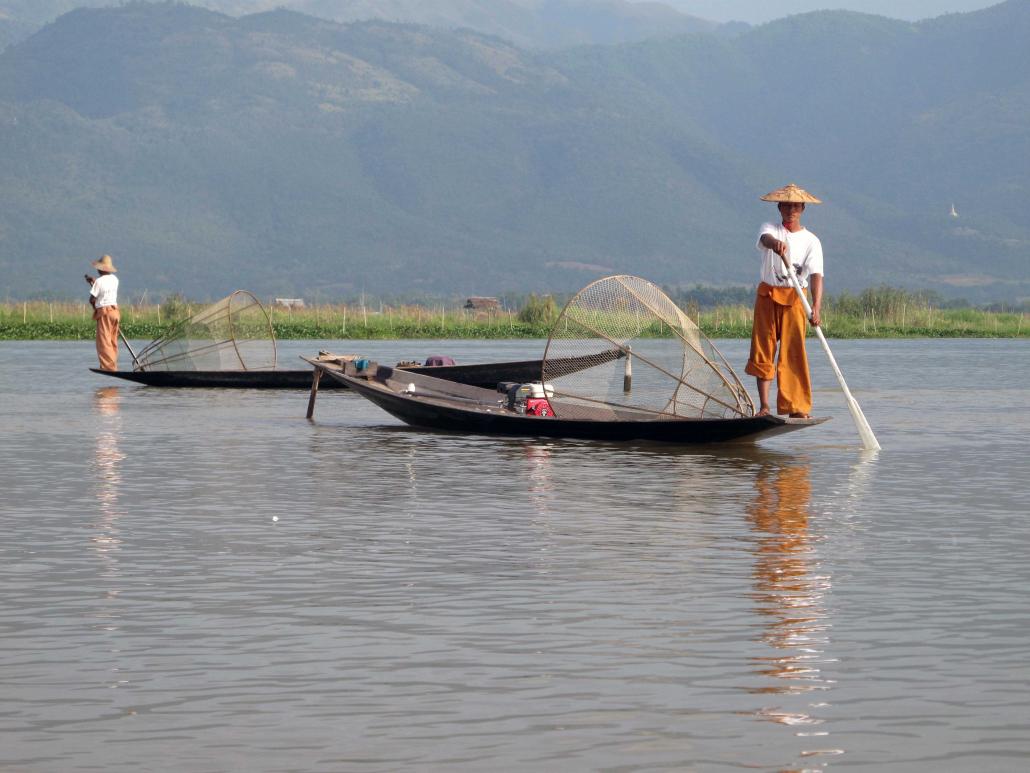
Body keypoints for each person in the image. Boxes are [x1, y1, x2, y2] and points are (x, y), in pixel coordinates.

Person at [745, 183, 824, 418]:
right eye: (787, 206)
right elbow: (765, 239)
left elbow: (817, 276)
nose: (791, 210)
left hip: (796, 298)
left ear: (802, 209)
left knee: (793, 353)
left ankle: (796, 407)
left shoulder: (812, 241)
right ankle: (764, 406)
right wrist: (775, 244)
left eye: (796, 206)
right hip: (768, 295)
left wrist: (816, 308)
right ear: (779, 208)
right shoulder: (771, 228)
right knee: (763, 349)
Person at [85, 254, 120, 371]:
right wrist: (94, 282)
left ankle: (109, 367)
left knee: (104, 341)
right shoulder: (115, 279)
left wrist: (95, 308)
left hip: (105, 313)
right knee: (112, 339)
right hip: (115, 312)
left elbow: (92, 299)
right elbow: (105, 288)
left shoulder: (99, 282)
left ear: (101, 269)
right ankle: (112, 364)